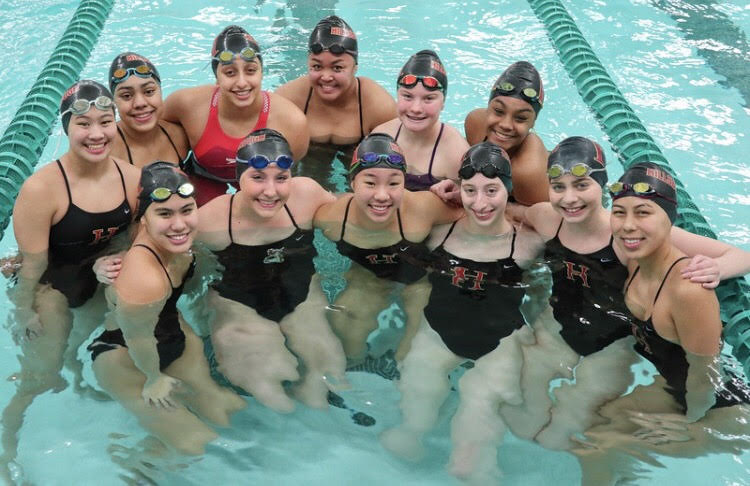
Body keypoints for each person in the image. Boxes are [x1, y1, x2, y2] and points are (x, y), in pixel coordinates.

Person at [499, 138, 750, 450]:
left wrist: (717, 269)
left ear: (602, 186)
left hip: (616, 339)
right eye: (558, 187)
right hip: (564, 323)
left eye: (581, 185)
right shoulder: (548, 218)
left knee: (574, 425)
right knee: (523, 395)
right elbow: (514, 211)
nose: (569, 198)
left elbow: (739, 256)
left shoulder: (629, 231)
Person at [570, 163, 750, 485]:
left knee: (593, 445)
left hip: (719, 408)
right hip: (674, 383)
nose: (627, 226)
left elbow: (705, 372)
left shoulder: (687, 290)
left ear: (669, 221)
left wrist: (693, 426)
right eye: (620, 213)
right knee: (597, 425)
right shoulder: (633, 255)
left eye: (642, 213)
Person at [379, 142, 545, 484]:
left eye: (492, 190)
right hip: (437, 333)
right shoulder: (438, 233)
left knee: (469, 457)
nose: (480, 203)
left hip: (502, 342)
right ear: (459, 188)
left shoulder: (530, 243)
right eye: (470, 190)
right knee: (407, 433)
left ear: (508, 191)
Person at [2, 80, 140, 474]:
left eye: (105, 121)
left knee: (78, 346)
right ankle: (6, 446)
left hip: (97, 280)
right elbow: (31, 267)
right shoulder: (41, 189)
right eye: (83, 123)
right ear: (66, 128)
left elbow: (131, 241)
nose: (96, 134)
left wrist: (110, 263)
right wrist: (24, 311)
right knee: (38, 376)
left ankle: (77, 377)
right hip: (51, 288)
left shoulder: (131, 179)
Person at [89, 162, 245, 455]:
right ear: (144, 218)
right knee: (195, 443)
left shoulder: (183, 246)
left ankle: (159, 442)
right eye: (164, 213)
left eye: (187, 210)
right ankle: (136, 465)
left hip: (172, 334)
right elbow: (137, 338)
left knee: (228, 409)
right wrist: (153, 378)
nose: (179, 224)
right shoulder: (142, 278)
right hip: (125, 356)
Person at [198, 129, 347, 413]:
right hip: (238, 306)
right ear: (238, 178)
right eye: (257, 177)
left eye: (281, 178)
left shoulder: (306, 196)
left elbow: (353, 210)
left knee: (330, 376)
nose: (271, 191)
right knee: (271, 391)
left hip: (302, 298)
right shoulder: (211, 221)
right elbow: (163, 248)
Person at [314, 133, 462, 363]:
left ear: (404, 184)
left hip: (419, 280)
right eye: (370, 183)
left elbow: (476, 216)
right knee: (346, 326)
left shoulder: (423, 208)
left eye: (394, 183)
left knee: (418, 344)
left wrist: (461, 193)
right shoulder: (333, 220)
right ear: (352, 183)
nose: (382, 196)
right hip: (368, 278)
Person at [163, 25, 309, 206]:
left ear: (262, 72)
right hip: (204, 178)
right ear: (216, 76)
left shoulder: (291, 122)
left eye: (250, 70)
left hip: (264, 187)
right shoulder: (186, 105)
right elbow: (158, 132)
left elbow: (286, 177)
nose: (241, 83)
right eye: (230, 72)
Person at [276, 16, 396, 189]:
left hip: (355, 154)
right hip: (309, 153)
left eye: (337, 68)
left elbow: (394, 167)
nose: (326, 77)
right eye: (317, 67)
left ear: (355, 67)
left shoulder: (377, 105)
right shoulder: (290, 98)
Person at [372, 50, 468, 191]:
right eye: (407, 96)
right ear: (397, 96)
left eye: (429, 98)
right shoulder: (381, 136)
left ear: (443, 102)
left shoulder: (456, 154)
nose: (416, 108)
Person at [461, 61, 549, 205]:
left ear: (533, 123)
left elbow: (546, 219)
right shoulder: (475, 123)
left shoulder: (527, 171)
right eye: (498, 111)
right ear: (488, 108)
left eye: (520, 118)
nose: (505, 125)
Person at [108, 52, 189, 168]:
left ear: (161, 92)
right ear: (114, 102)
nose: (140, 103)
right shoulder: (107, 150)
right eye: (126, 96)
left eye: (149, 91)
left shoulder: (181, 136)